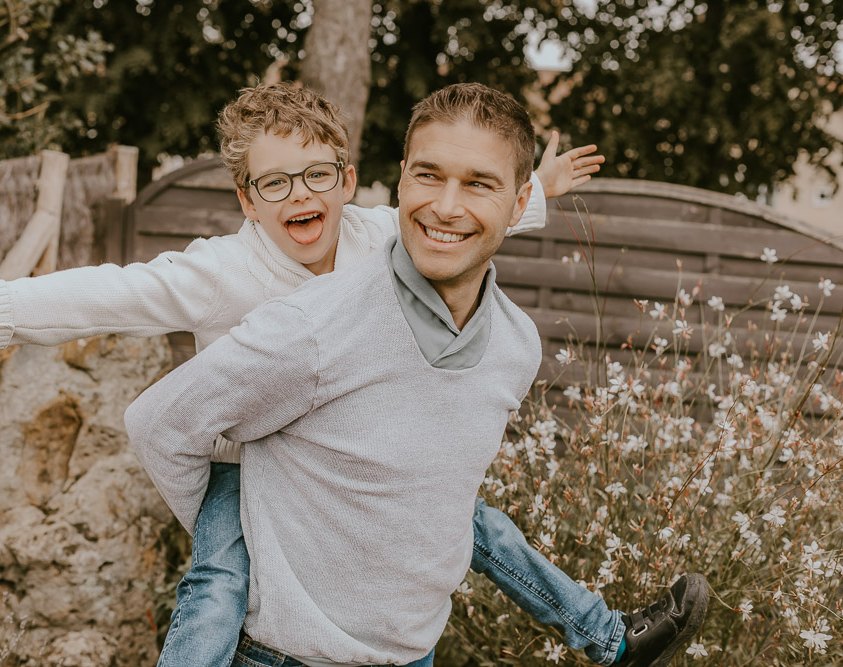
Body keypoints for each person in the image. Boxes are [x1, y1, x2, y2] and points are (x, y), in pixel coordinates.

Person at [0, 83, 686, 667]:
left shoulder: (378, 235)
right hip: (239, 457)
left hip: (356, 463)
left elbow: (462, 207)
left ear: (350, 180)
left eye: (317, 177)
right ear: (246, 198)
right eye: (275, 183)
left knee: (478, 524)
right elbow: (111, 291)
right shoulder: (222, 270)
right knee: (219, 583)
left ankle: (603, 632)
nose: (301, 195)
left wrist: (537, 190)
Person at [123, 82, 710, 667]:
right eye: (429, 175)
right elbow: (158, 425)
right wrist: (238, 531)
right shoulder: (309, 327)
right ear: (401, 179)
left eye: (478, 184)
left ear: (520, 199)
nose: (447, 206)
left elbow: (444, 507)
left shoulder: (516, 345)